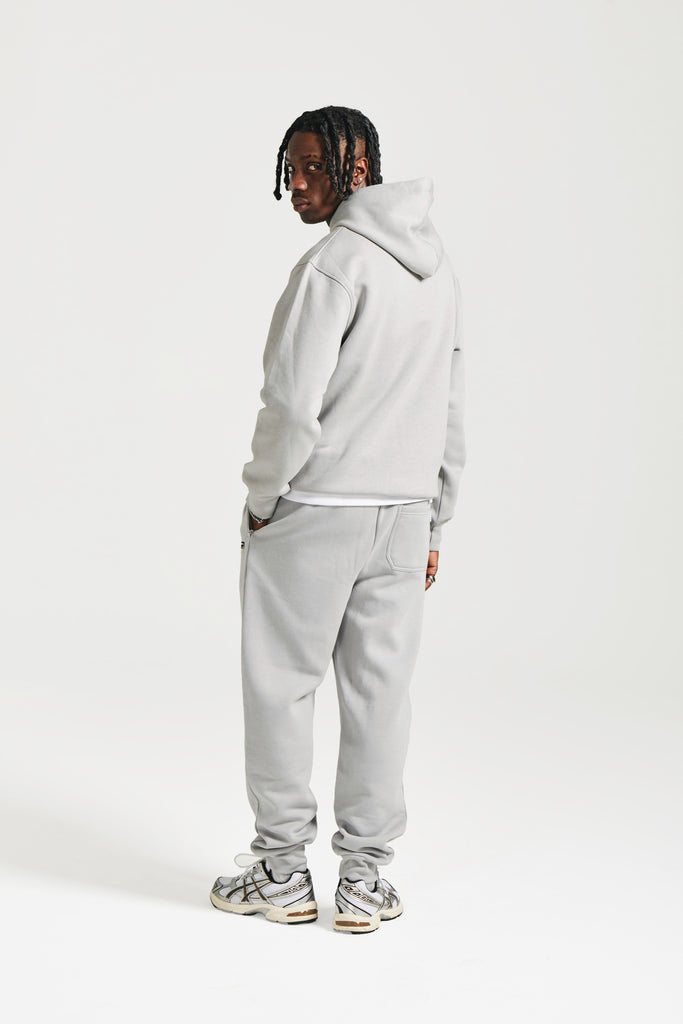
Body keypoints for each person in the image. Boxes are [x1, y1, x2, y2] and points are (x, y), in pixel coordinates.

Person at [210, 105, 466, 933]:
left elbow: (291, 406)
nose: (297, 185)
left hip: (316, 510)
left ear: (359, 169)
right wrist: (434, 519)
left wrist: (263, 497)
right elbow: (448, 402)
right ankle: (364, 880)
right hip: (402, 514)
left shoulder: (332, 266)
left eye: (314, 167)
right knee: (380, 696)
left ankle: (283, 870)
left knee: (280, 687)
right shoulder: (436, 268)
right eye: (292, 169)